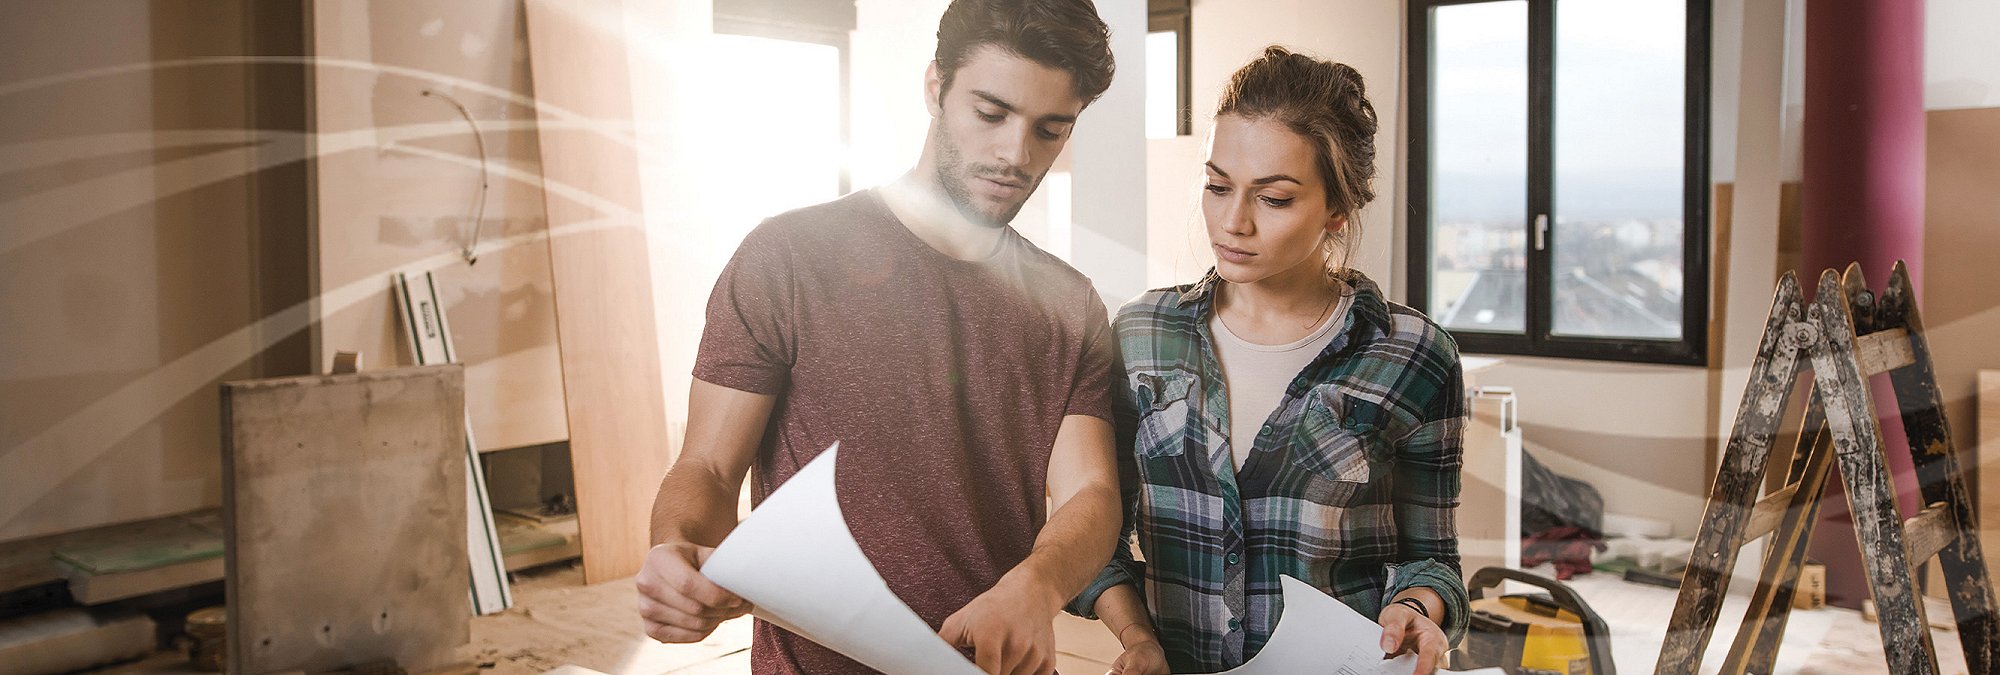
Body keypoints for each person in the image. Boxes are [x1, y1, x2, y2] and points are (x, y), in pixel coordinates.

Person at [634, 1, 1124, 674]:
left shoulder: (1070, 305)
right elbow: (710, 469)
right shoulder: (788, 257)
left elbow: (1090, 494)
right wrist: (677, 551)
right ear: (935, 87)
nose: (1016, 152)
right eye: (991, 113)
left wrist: (1035, 586)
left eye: (1050, 129)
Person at [1071, 46, 1470, 675]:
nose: (1233, 222)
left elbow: (1434, 560)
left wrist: (1419, 608)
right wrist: (1137, 639)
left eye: (1275, 199)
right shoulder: (1142, 335)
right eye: (1217, 186)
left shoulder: (1413, 356)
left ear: (1338, 208)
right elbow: (1095, 535)